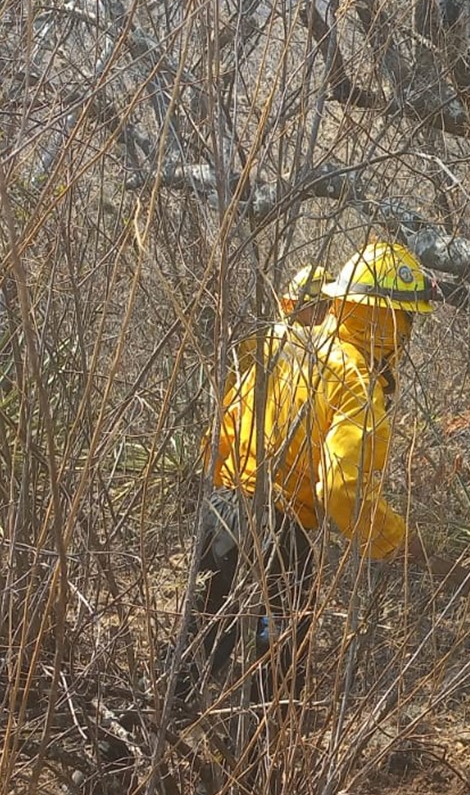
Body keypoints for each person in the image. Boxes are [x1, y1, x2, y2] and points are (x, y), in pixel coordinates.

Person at [168, 241, 434, 709]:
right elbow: (340, 488)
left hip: (221, 512)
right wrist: (392, 540)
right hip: (280, 534)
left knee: (195, 653)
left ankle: (143, 754)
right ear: (385, 322)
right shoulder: (355, 383)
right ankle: (258, 777)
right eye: (407, 318)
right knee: (276, 677)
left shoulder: (280, 340)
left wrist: (222, 496)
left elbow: (223, 428)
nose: (409, 332)